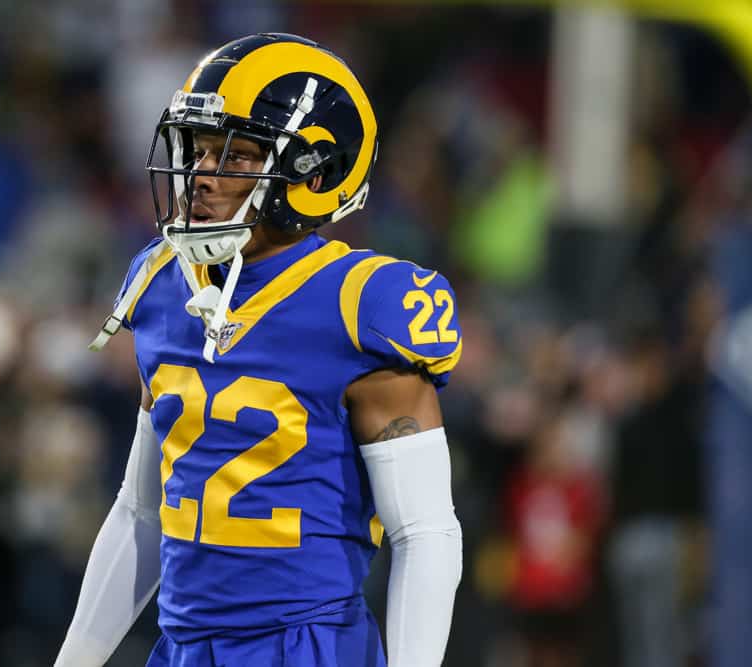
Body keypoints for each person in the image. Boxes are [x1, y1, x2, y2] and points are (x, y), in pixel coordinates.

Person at [54, 33, 463, 667]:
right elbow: (141, 510)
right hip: (183, 647)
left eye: (238, 156)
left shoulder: (363, 301)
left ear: (316, 172)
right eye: (200, 150)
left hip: (308, 647)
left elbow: (425, 532)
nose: (201, 176)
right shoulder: (164, 283)